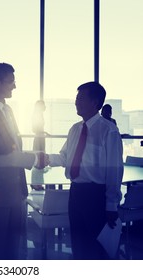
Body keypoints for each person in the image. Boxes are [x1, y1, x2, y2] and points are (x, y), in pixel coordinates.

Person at [46, 81, 123, 259]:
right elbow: (65, 157)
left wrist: (111, 204)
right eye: (76, 98)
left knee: (96, 246)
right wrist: (46, 159)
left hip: (96, 195)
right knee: (78, 242)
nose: (76, 102)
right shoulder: (75, 129)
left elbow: (114, 170)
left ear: (95, 102)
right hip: (76, 193)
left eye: (81, 98)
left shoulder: (108, 130)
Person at [0, 62, 43, 259]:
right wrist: (37, 158)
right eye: (11, 81)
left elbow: (14, 145)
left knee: (14, 248)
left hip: (16, 190)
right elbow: (1, 151)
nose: (14, 86)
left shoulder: (9, 111)